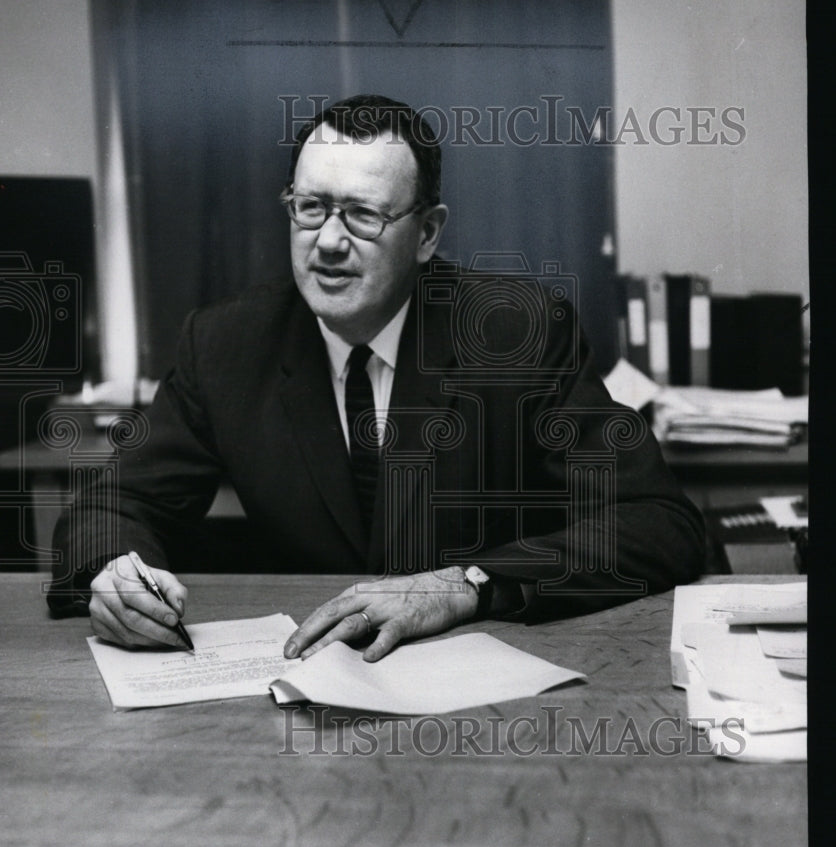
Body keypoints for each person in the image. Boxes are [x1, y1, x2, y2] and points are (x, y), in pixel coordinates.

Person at [49, 94, 705, 659]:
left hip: (489, 682)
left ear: (426, 234)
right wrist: (114, 572)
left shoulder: (517, 333)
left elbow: (655, 523)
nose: (328, 242)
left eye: (362, 215)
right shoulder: (227, 344)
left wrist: (466, 584)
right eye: (310, 208)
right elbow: (115, 504)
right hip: (306, 691)